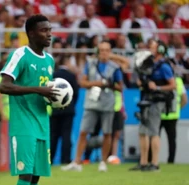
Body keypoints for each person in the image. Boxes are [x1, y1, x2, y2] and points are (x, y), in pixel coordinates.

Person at [0, 14, 57, 185]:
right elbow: (4, 86)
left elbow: (46, 91)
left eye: (50, 30)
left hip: (42, 123)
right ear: (31, 34)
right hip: (23, 123)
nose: (49, 34)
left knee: (36, 175)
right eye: (44, 30)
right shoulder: (20, 54)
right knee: (25, 174)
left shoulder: (50, 60)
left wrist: (56, 99)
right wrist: (38, 90)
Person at [62, 41, 123, 172]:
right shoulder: (90, 64)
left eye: (107, 50)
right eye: (102, 50)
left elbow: (120, 87)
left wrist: (110, 84)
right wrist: (98, 83)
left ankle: (103, 162)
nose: (104, 53)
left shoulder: (115, 67)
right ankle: (77, 162)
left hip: (107, 104)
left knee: (107, 133)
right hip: (91, 103)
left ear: (110, 52)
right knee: (84, 131)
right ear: (98, 51)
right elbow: (82, 82)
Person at [129, 40, 176, 171]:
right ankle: (143, 163)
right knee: (142, 131)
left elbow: (173, 85)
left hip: (158, 101)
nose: (149, 50)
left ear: (160, 49)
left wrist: (158, 87)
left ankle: (155, 163)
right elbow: (142, 82)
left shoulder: (164, 66)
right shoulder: (147, 66)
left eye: (152, 47)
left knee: (154, 131)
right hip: (147, 100)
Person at [50, 54, 79, 165]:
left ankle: (50, 159)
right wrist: (70, 105)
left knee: (53, 135)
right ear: (66, 61)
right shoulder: (71, 76)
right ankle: (65, 159)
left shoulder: (53, 75)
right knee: (66, 135)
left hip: (55, 110)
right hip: (68, 110)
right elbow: (75, 93)